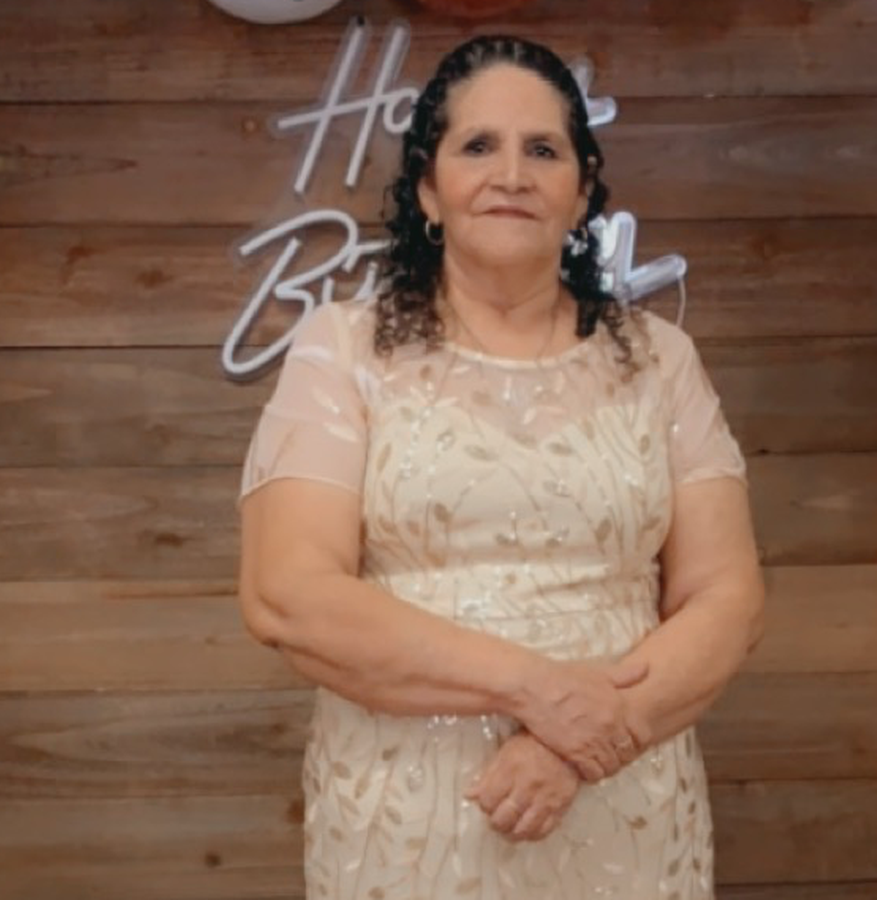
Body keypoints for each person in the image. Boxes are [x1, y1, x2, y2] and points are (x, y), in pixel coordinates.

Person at [237, 34, 765, 900]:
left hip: (624, 803)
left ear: (581, 193)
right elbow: (286, 595)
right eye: (478, 146)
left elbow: (727, 596)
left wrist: (593, 738)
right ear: (428, 190)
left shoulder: (660, 359)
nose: (511, 174)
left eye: (543, 150)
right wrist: (535, 691)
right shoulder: (343, 350)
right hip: (410, 817)